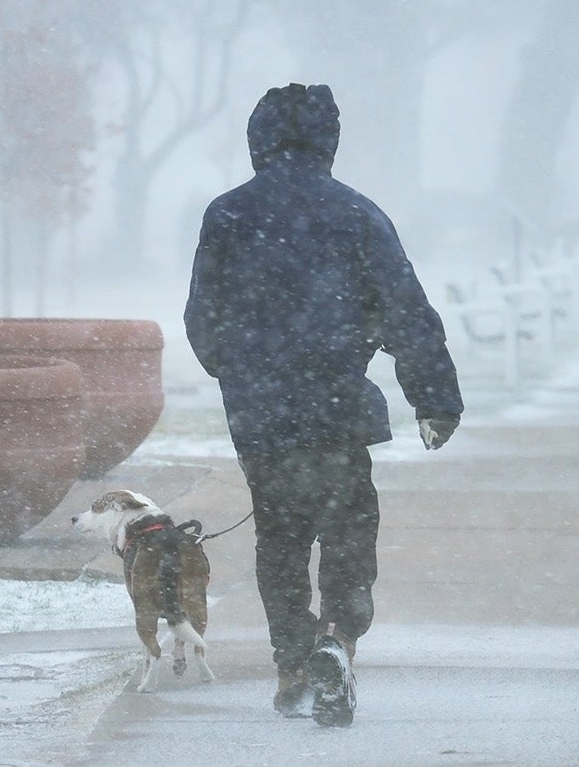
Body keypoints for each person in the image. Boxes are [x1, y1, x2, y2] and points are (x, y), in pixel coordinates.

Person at [184, 83, 463, 727]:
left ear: (257, 140)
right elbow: (407, 313)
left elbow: (204, 318)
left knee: (280, 538)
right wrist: (434, 398)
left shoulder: (227, 215)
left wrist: (243, 375)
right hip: (338, 406)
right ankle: (337, 636)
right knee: (346, 531)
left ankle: (292, 659)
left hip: (262, 415)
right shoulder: (358, 215)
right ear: (329, 140)